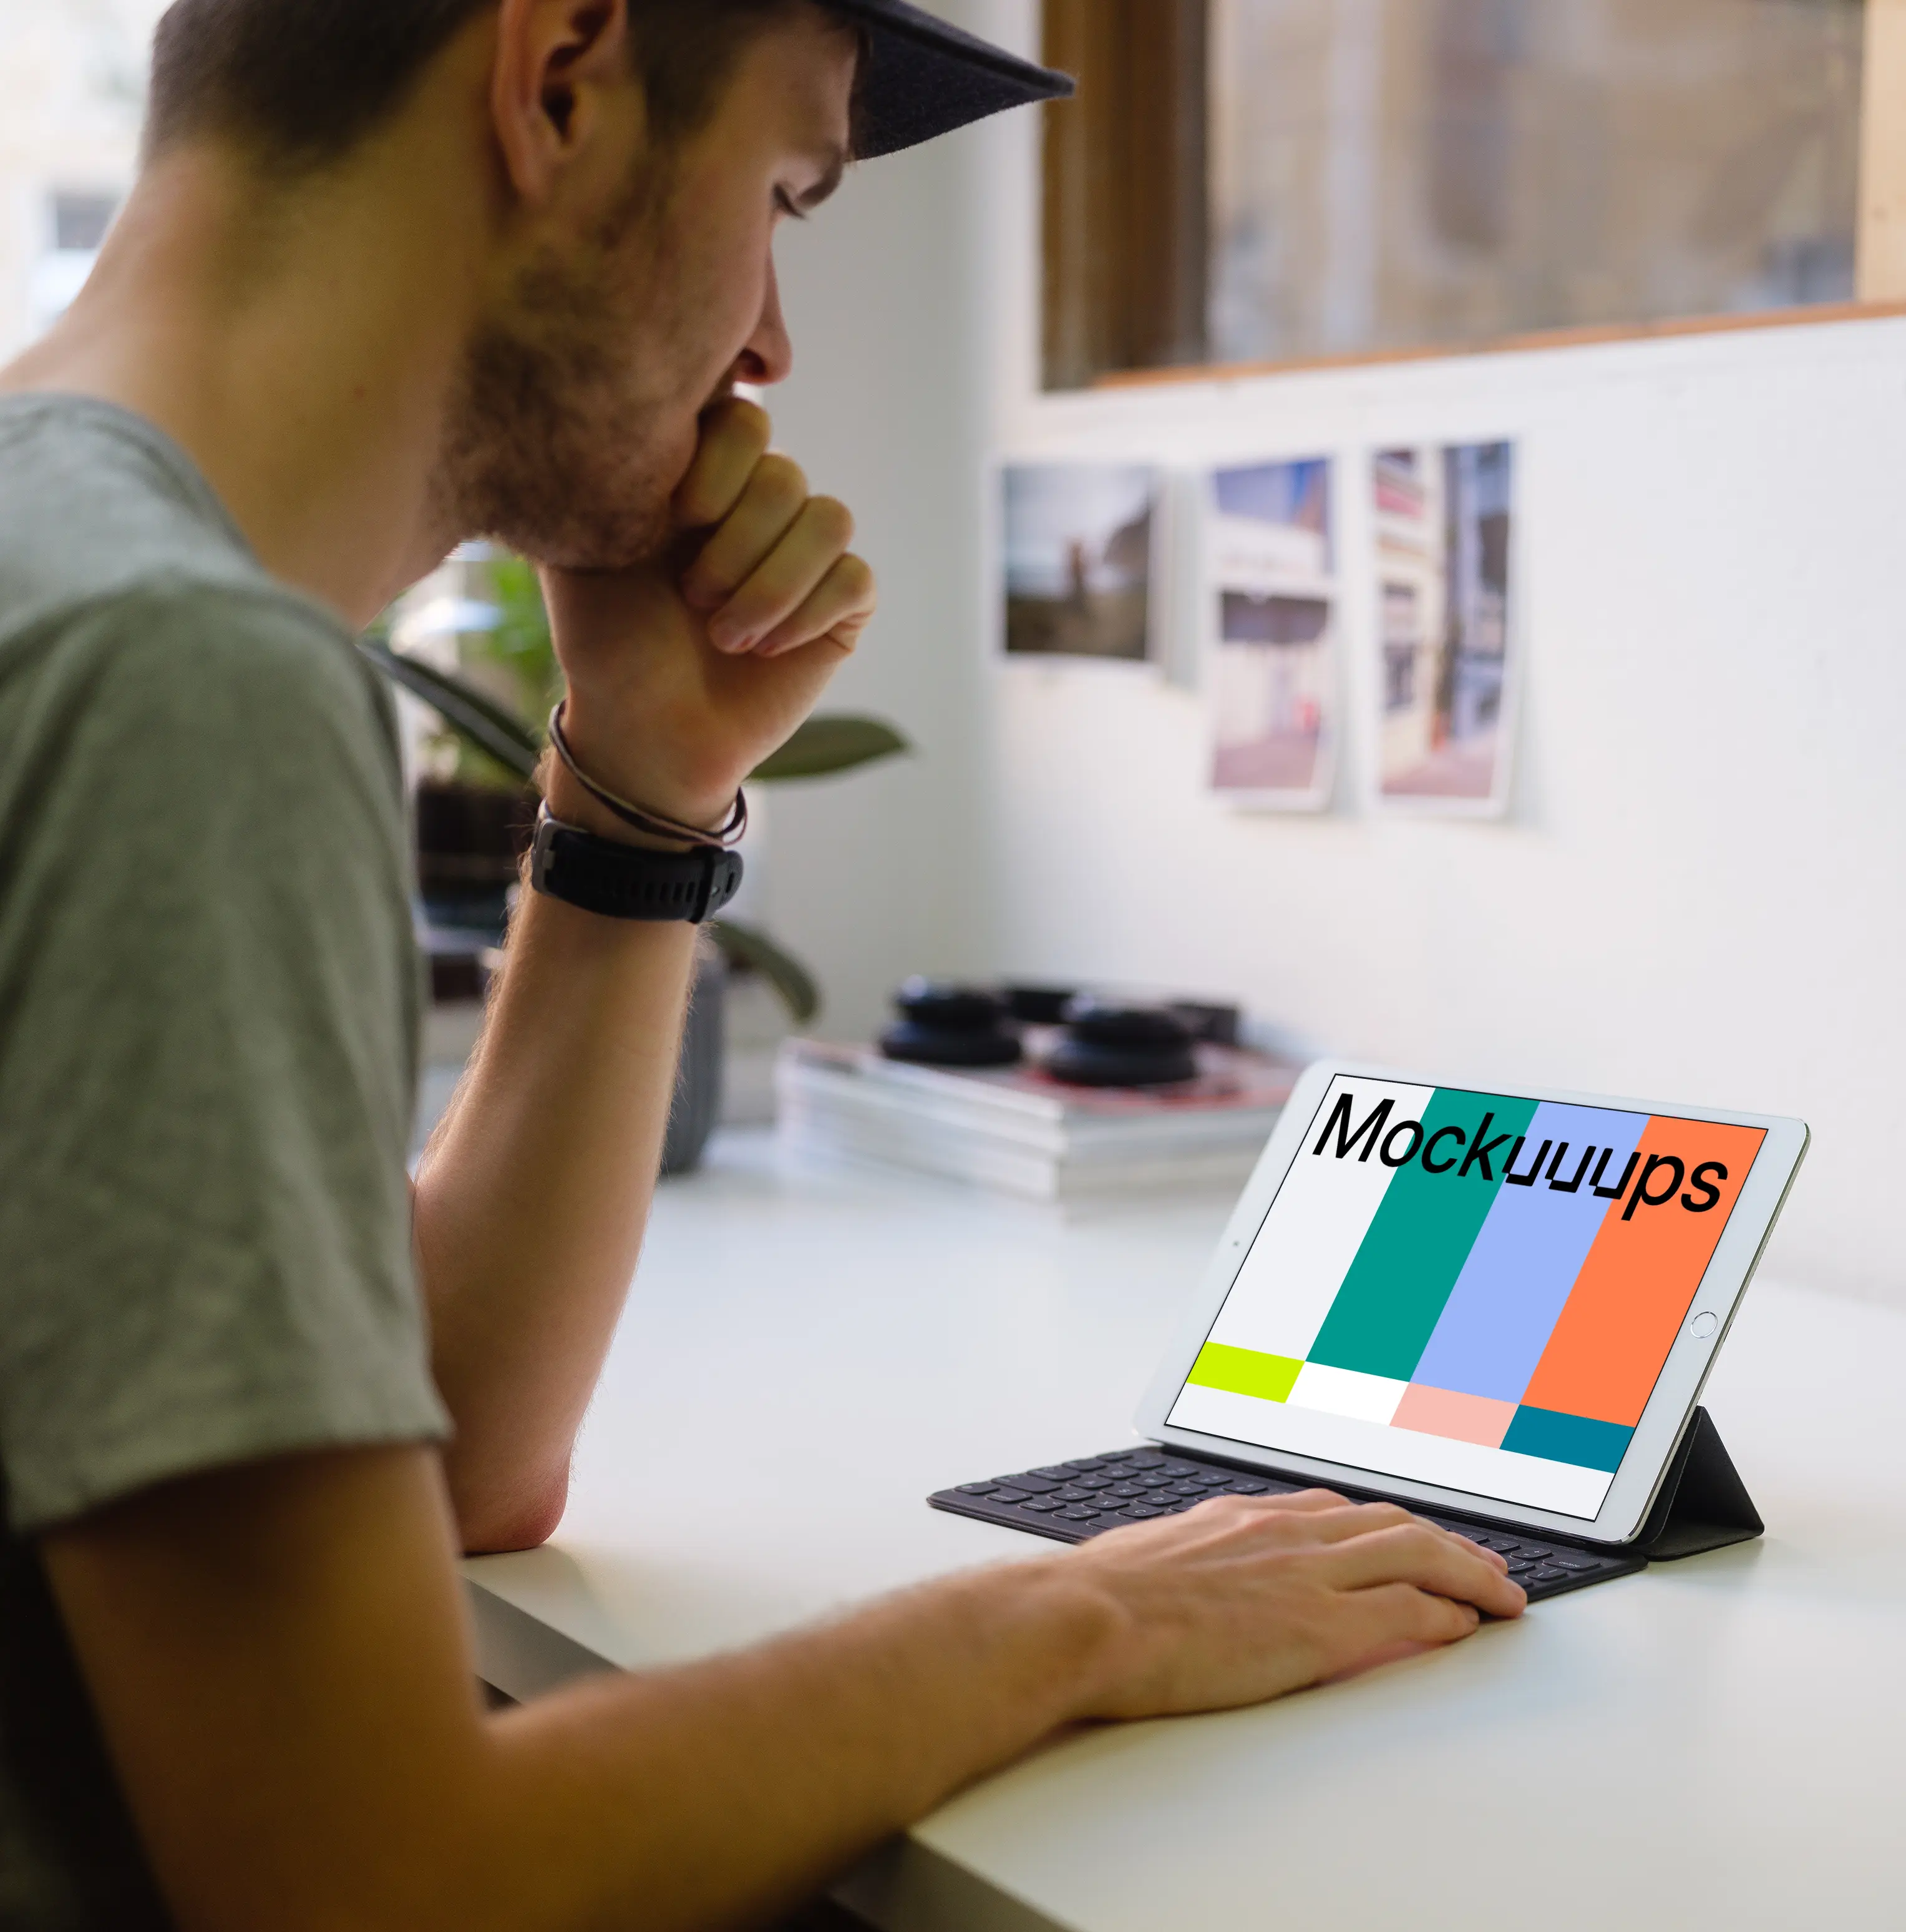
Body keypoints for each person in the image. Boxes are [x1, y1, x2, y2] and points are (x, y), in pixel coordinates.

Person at [0, 2, 1525, 1925]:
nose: (773, 343)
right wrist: (1084, 1618)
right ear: (560, 79)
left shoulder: (56, 574)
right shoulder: (166, 679)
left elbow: (452, 1457)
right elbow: (375, 1887)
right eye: (787, 196)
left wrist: (640, 799)